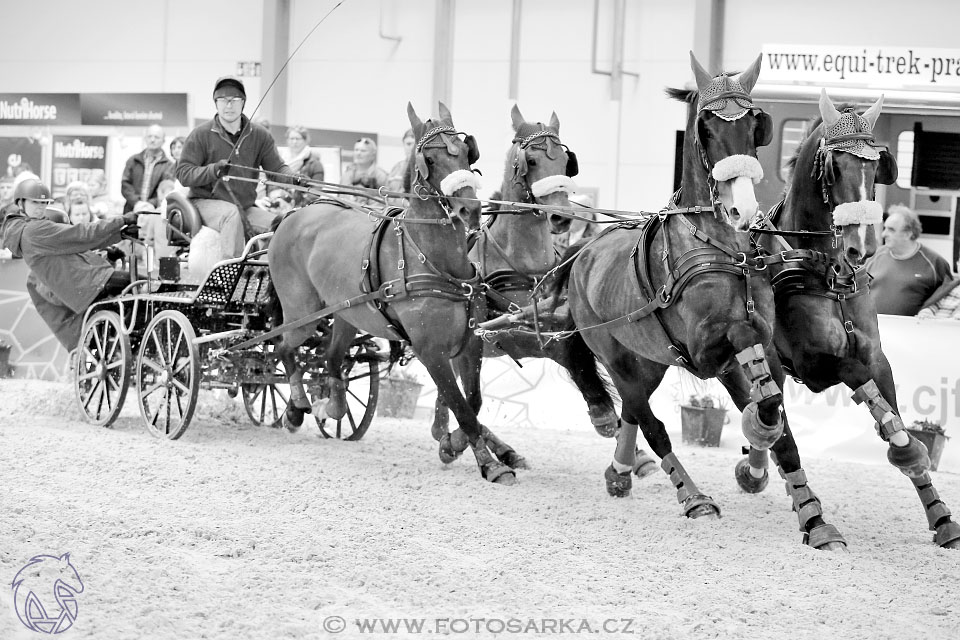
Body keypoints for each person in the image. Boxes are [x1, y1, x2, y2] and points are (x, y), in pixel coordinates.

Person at [0, 178, 139, 350]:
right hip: (90, 285)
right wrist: (121, 220)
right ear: (20, 203)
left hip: (88, 286)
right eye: (35, 202)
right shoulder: (34, 231)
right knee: (141, 285)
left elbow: (80, 245)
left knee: (134, 294)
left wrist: (120, 235)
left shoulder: (29, 229)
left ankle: (129, 341)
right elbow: (81, 234)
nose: (40, 207)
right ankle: (138, 340)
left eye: (44, 203)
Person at [176, 75, 296, 259]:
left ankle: (267, 277)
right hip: (204, 202)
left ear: (243, 102)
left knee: (281, 226)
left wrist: (294, 179)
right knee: (230, 215)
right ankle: (232, 276)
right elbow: (184, 173)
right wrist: (213, 170)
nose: (228, 105)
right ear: (215, 103)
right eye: (222, 100)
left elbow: (277, 169)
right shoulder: (200, 134)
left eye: (234, 100)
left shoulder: (259, 135)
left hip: (245, 206)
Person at [866, 204, 954, 316]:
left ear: (908, 234)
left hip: (913, 330)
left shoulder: (935, 263)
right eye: (885, 228)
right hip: (873, 328)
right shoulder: (873, 257)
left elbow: (947, 296)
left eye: (891, 230)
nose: (884, 234)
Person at [121, 124, 175, 214]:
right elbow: (125, 184)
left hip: (155, 212)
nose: (152, 140)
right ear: (145, 138)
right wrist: (137, 203)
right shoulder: (133, 160)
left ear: (163, 141)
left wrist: (148, 205)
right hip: (131, 210)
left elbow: (165, 190)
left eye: (156, 137)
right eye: (149, 136)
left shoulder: (169, 165)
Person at [285, 125, 325, 206]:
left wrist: (300, 206)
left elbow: (316, 191)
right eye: (292, 139)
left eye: (298, 139)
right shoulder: (281, 160)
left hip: (302, 208)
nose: (294, 142)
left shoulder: (315, 164)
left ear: (305, 140)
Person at [385, 129, 415, 206]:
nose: (412, 148)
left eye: (415, 144)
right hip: (391, 212)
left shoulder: (424, 170)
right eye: (408, 144)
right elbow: (386, 192)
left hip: (411, 215)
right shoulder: (397, 167)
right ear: (403, 145)